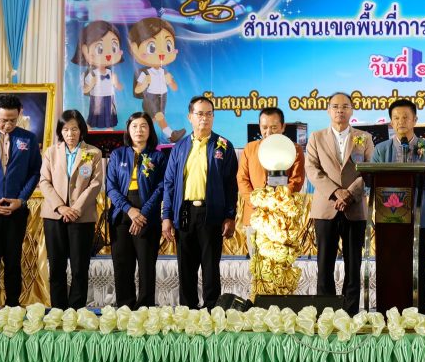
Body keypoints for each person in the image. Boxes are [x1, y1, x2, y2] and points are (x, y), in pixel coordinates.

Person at [161, 96, 238, 309]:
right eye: (200, 114)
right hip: (184, 213)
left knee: (211, 267)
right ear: (190, 117)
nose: (204, 118)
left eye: (209, 114)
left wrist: (230, 216)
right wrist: (166, 216)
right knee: (186, 267)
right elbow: (169, 184)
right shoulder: (179, 147)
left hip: (211, 213)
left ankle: (212, 310)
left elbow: (231, 185)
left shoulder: (223, 146)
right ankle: (188, 311)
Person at [372, 98, 425, 314]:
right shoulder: (381, 149)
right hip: (389, 218)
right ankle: (389, 311)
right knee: (391, 266)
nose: (401, 121)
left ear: (415, 120)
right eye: (396, 118)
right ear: (390, 122)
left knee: (419, 267)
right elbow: (371, 182)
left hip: (421, 217)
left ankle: (420, 313)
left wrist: (423, 175)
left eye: (405, 117)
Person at [305, 92, 374, 314]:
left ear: (352, 110)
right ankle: (326, 313)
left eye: (345, 106)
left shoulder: (364, 137)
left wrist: (350, 194)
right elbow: (312, 170)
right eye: (335, 106)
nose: (340, 111)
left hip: (355, 208)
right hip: (326, 208)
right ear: (328, 111)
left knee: (353, 265)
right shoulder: (316, 137)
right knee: (324, 264)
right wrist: (336, 192)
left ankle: (350, 313)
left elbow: (370, 169)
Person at [0, 94, 42, 311]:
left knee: (14, 259)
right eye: (4, 120)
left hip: (16, 210)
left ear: (19, 114)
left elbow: (35, 172)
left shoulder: (28, 138)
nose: (8, 124)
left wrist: (21, 200)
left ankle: (13, 307)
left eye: (13, 119)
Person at [38, 109, 103, 310]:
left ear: (81, 130)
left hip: (81, 217)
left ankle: (75, 311)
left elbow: (95, 184)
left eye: (74, 129)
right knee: (56, 267)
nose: (70, 134)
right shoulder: (51, 152)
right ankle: (58, 310)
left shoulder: (93, 153)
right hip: (54, 216)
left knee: (79, 268)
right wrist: (61, 207)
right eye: (65, 129)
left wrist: (75, 209)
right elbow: (44, 181)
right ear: (60, 131)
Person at [106, 112, 167, 308]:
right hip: (121, 212)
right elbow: (111, 187)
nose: (138, 130)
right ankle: (125, 308)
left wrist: (143, 213)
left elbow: (161, 187)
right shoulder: (117, 155)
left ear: (150, 130)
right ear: (128, 130)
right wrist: (130, 210)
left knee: (146, 265)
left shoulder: (158, 156)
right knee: (122, 265)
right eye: (134, 126)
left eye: (143, 126)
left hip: (147, 214)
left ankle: (145, 310)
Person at [237, 107, 305, 254]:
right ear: (259, 127)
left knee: (282, 261)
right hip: (256, 216)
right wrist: (256, 202)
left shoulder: (295, 149)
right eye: (264, 127)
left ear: (283, 127)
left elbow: (296, 180)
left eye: (274, 127)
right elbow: (242, 179)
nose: (268, 132)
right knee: (256, 262)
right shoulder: (250, 148)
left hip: (283, 217)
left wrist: (277, 202)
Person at [129, 17, 185, 143]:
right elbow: (137, 89)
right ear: (135, 49)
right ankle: (171, 135)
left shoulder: (164, 71)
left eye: (168, 46)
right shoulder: (144, 72)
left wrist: (170, 81)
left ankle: (145, 136)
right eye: (152, 47)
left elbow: (174, 88)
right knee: (159, 117)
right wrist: (145, 83)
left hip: (162, 96)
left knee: (153, 119)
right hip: (150, 98)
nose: (161, 53)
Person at [73, 20, 123, 130]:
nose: (108, 54)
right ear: (85, 50)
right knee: (95, 116)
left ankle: (109, 129)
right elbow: (85, 90)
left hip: (109, 97)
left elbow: (120, 88)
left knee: (109, 118)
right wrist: (92, 83)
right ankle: (89, 128)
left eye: (113, 48)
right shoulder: (92, 74)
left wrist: (116, 83)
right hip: (96, 98)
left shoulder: (111, 73)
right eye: (100, 49)